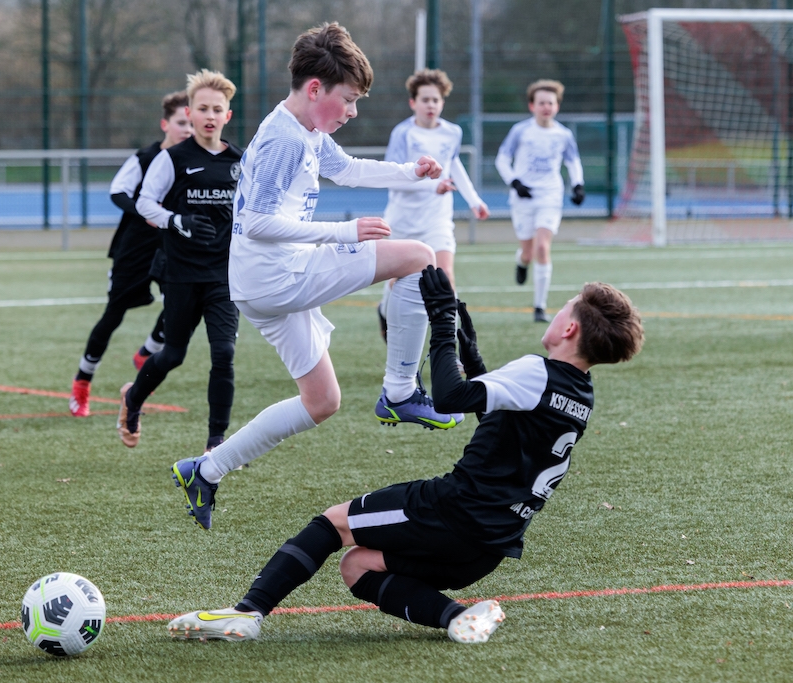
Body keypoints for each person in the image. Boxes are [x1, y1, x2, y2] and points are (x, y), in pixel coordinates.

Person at [167, 266, 644, 643]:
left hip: (452, 514)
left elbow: (450, 399)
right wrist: (472, 356)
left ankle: (248, 612)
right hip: (488, 547)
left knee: (333, 524)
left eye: (564, 308)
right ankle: (458, 617)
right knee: (358, 566)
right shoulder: (580, 392)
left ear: (569, 327)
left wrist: (442, 323)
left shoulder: (537, 371)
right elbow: (499, 424)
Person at [170, 22, 449, 531]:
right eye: (349, 100)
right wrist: (343, 231)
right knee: (421, 256)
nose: (352, 112)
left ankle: (204, 471)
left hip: (262, 285)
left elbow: (347, 170)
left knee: (322, 401)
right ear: (316, 89)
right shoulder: (284, 139)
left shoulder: (305, 130)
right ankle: (400, 391)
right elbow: (254, 221)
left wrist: (410, 172)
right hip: (279, 277)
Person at [116, 70, 242, 454]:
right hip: (181, 273)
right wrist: (177, 221)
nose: (209, 116)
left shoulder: (241, 161)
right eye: (202, 108)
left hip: (224, 275)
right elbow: (144, 203)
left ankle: (216, 443)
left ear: (227, 116)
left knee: (224, 353)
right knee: (173, 354)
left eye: (216, 109)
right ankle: (133, 399)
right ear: (189, 113)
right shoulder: (172, 159)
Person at [375, 68, 490, 428]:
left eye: (436, 100)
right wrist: (431, 185)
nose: (431, 105)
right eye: (424, 99)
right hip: (404, 219)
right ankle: (385, 311)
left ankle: (448, 354)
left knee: (445, 276)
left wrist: (474, 200)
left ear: (442, 102)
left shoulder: (452, 132)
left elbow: (455, 168)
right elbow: (394, 177)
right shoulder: (403, 133)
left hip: (438, 220)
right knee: (399, 283)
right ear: (413, 102)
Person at [69, 91, 192, 417]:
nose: (188, 130)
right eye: (182, 123)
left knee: (182, 307)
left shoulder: (193, 160)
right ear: (165, 124)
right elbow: (117, 191)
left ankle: (147, 353)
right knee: (113, 315)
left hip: (172, 247)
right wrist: (145, 213)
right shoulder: (146, 157)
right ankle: (82, 382)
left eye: (192, 124)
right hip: (135, 247)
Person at [495, 79, 584, 323]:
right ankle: (521, 262)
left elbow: (573, 162)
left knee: (542, 248)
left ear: (557, 106)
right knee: (528, 252)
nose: (546, 107)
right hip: (523, 197)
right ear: (532, 106)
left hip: (550, 196)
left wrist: (578, 185)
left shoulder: (563, 134)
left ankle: (539, 307)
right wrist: (515, 182)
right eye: (541, 103)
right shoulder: (520, 131)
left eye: (551, 103)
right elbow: (502, 159)